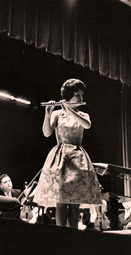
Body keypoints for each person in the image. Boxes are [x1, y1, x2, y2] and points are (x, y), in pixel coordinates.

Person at [32, 79, 102, 228]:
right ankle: (61, 236)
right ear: (69, 96)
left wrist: (70, 110)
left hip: (78, 159)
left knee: (75, 202)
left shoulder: (83, 115)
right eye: (78, 95)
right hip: (61, 159)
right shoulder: (58, 114)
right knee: (61, 200)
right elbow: (46, 133)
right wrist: (48, 114)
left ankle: (73, 236)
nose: (81, 98)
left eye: (82, 95)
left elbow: (87, 125)